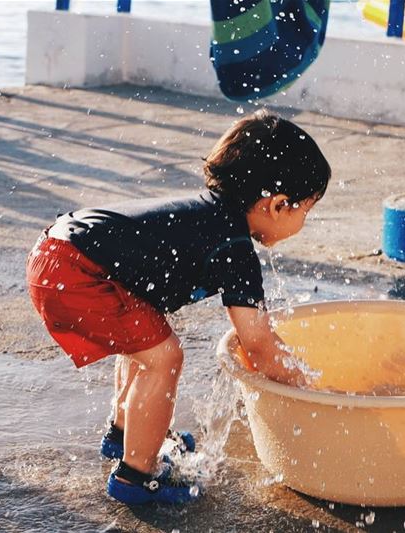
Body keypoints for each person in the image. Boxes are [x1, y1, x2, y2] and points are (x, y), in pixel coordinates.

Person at [25, 110, 331, 505]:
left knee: (146, 335)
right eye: (307, 210)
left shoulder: (207, 214)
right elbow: (257, 343)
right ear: (277, 205)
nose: (305, 221)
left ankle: (124, 435)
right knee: (164, 357)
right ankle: (136, 476)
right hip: (76, 270)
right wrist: (315, 390)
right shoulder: (233, 247)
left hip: (56, 250)